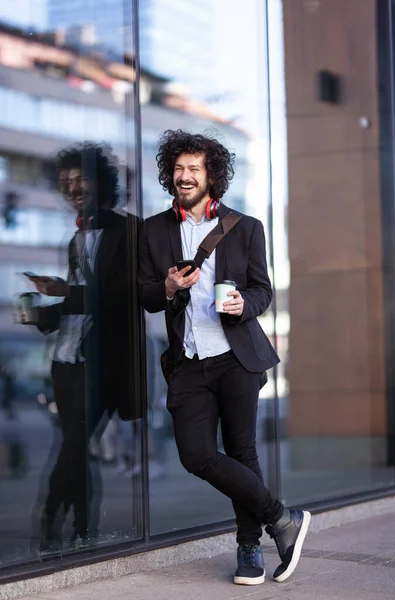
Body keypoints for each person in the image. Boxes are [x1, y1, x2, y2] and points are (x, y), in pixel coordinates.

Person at [138, 129, 311, 586]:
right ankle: (282, 518)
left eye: (194, 168)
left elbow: (263, 291)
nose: (184, 176)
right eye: (178, 169)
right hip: (188, 361)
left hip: (236, 357)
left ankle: (249, 545)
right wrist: (169, 287)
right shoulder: (154, 230)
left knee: (242, 451)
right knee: (195, 454)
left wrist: (242, 304)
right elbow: (143, 294)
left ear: (212, 174)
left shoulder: (246, 227)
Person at [28, 142, 136, 549]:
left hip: (103, 361)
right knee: (75, 446)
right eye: (65, 182)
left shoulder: (128, 230)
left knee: (74, 442)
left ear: (102, 181)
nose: (72, 187)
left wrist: (66, 291)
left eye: (80, 179)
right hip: (66, 360)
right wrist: (44, 315)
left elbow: (120, 297)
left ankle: (51, 517)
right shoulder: (76, 240)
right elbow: (80, 301)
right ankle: (84, 527)